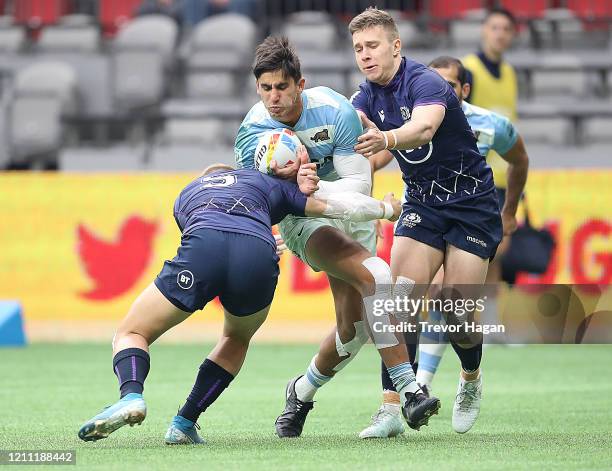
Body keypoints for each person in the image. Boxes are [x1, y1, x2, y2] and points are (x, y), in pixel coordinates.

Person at [77, 156, 404, 445]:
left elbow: (201, 234)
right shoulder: (262, 182)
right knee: (235, 338)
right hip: (258, 251)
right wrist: (388, 209)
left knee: (133, 332)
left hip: (204, 249)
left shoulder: (186, 194)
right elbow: (330, 207)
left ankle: (131, 394)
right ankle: (184, 422)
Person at [235, 36, 441, 438]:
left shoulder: (334, 109)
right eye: (265, 88)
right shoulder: (252, 134)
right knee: (377, 277)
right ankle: (411, 391)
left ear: (300, 84)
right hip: (306, 220)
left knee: (354, 329)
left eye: (281, 86)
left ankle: (301, 390)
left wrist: (316, 187)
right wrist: (292, 203)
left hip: (351, 207)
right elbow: (264, 199)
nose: (274, 97)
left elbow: (357, 185)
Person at [348, 7, 503, 436]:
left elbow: (424, 128)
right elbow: (359, 147)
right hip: (423, 205)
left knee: (456, 315)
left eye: (373, 45)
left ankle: (470, 378)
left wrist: (386, 138)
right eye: (359, 48)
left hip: (472, 204)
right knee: (397, 304)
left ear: (396, 46)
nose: (365, 54)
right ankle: (391, 408)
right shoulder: (363, 98)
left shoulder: (426, 82)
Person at [463, 8, 519, 291]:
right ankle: (445, 316)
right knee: (483, 248)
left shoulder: (510, 73)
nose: (500, 34)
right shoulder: (469, 69)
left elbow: (511, 128)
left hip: (502, 177)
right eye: (494, 27)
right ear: (484, 30)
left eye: (506, 29)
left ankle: (491, 321)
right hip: (476, 175)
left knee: (496, 251)